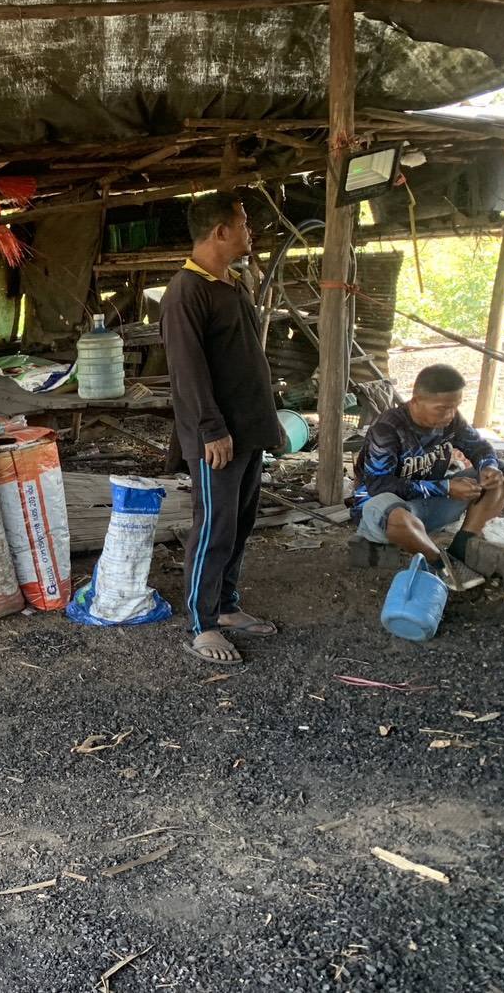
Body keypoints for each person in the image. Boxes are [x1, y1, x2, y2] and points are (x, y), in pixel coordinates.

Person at [161, 192, 283, 665]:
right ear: (221, 231)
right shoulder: (186, 292)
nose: (250, 232)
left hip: (248, 429)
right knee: (213, 527)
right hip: (218, 437)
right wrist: (211, 428)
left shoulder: (231, 284)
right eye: (244, 224)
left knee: (239, 524)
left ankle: (226, 606)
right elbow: (187, 371)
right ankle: (202, 623)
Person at [351, 363, 504, 591]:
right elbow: (379, 485)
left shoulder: (451, 420)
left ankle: (461, 547)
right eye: (442, 408)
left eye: (455, 406)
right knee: (393, 512)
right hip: (385, 514)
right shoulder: (387, 428)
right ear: (416, 401)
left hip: (428, 505)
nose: (450, 414)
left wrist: (488, 467)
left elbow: (479, 447)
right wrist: (445, 487)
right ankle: (441, 564)